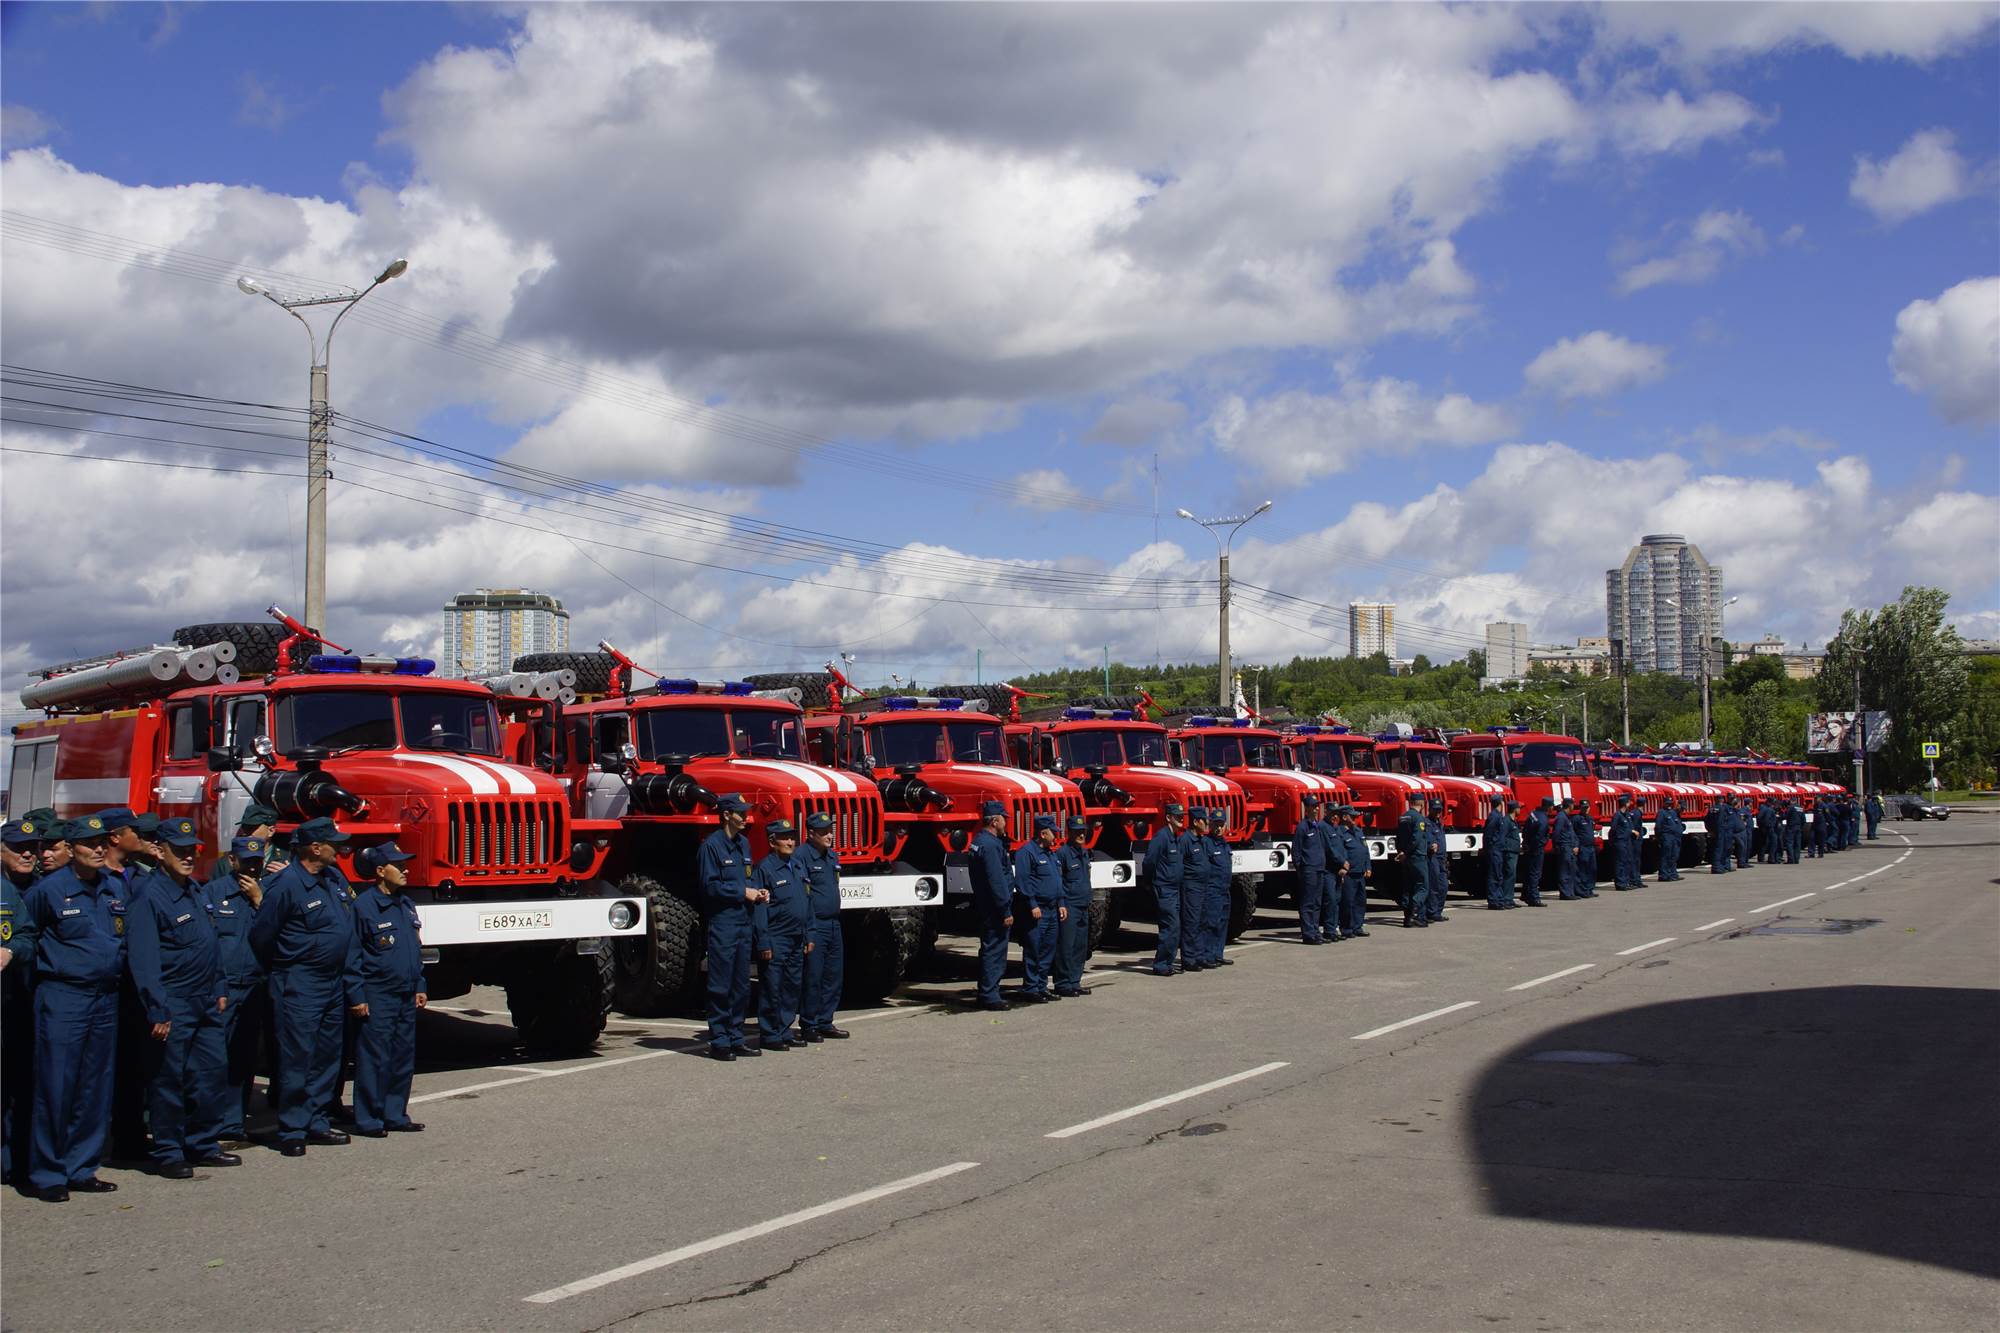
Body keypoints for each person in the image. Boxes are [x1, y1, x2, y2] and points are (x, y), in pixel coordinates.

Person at [22, 815, 127, 1201]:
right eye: (89, 843)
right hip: (64, 997)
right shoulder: (49, 891)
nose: (98, 849)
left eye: (102, 843)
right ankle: (48, 1174)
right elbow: (27, 943)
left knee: (94, 1086)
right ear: (71, 848)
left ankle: (82, 1166)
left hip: (105, 997)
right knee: (56, 1086)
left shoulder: (114, 888)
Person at [125, 817, 233, 1179]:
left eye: (192, 851)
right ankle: (169, 1150)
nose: (188, 857)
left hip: (204, 999)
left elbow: (210, 943)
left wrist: (218, 987)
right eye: (180, 851)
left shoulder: (194, 889)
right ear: (160, 851)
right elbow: (144, 959)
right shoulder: (148, 895)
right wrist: (157, 1009)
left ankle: (203, 1143)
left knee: (211, 1073)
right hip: (173, 1001)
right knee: (168, 1080)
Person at [250, 818, 361, 1154]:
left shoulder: (332, 879)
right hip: (299, 981)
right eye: (333, 842)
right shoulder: (285, 885)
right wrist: (290, 965)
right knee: (297, 1057)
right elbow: (261, 935)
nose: (339, 847)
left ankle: (316, 1120)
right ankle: (293, 1128)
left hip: (332, 980)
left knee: (327, 1055)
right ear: (315, 847)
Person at [346, 844, 427, 1134]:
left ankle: (395, 1114)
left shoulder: (405, 904)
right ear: (380, 871)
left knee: (402, 1057)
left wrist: (419, 984)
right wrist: (357, 995)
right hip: (377, 993)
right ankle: (369, 1118)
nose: (405, 870)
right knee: (374, 1058)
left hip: (405, 993)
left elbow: (414, 949)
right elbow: (352, 955)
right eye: (398, 865)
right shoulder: (364, 907)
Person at [204, 836, 267, 1144]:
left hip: (254, 986)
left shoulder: (267, 894)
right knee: (215, 1057)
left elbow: (278, 931)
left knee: (243, 1058)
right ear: (232, 861)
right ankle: (207, 1121)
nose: (252, 867)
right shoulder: (213, 894)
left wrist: (259, 900)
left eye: (257, 862)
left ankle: (232, 1122)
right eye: (246, 861)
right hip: (223, 989)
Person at [698, 794, 766, 1059]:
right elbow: (710, 886)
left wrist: (756, 892)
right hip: (723, 923)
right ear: (726, 815)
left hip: (743, 922)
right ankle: (719, 1041)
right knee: (721, 985)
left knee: (741, 985)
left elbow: (746, 879)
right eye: (740, 812)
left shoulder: (744, 845)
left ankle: (736, 1037)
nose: (745, 816)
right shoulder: (711, 847)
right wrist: (742, 892)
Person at [2, 820, 42, 1186]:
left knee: (22, 1084)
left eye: (32, 846)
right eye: (18, 847)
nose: (28, 853)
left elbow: (29, 937)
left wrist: (11, 950)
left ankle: (17, 1162)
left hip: (22, 1001)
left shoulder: (39, 890)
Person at [749, 821, 808, 1052]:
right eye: (785, 838)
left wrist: (808, 934)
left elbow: (807, 902)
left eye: (792, 837)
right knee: (772, 987)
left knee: (792, 985)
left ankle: (785, 1029)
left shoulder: (798, 866)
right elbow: (760, 908)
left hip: (796, 936)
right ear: (772, 842)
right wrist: (763, 940)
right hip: (776, 936)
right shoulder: (764, 868)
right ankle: (770, 1033)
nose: (790, 842)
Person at [796, 812, 849, 1041]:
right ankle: (809, 1024)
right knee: (813, 977)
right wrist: (807, 929)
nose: (830, 836)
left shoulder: (831, 857)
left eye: (830, 831)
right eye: (824, 832)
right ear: (810, 834)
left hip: (833, 923)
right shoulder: (801, 857)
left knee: (833, 976)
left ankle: (826, 1020)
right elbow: (802, 896)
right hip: (815, 924)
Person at [968, 801, 1015, 1010]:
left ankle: (987, 991)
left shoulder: (980, 841)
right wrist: (1005, 908)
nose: (1006, 823)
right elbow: (996, 880)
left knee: (989, 948)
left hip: (986, 904)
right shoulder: (990, 845)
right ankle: (990, 995)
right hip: (994, 908)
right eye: (1004, 819)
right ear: (995, 821)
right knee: (995, 950)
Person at [1013, 815, 1063, 1002]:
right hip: (1037, 910)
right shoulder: (1027, 852)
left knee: (1048, 950)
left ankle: (1041, 986)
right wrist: (1032, 904)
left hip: (1052, 909)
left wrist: (1061, 903)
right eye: (1053, 833)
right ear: (1042, 833)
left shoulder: (1051, 854)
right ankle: (1030, 988)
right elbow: (1023, 881)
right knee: (1034, 949)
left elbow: (1057, 881)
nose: (1055, 837)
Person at [1051, 816, 1094, 996]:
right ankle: (1062, 983)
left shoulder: (1084, 853)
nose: (1081, 835)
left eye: (1083, 831)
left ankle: (1074, 982)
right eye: (1077, 832)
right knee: (1066, 947)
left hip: (1084, 905)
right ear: (1069, 833)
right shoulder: (1063, 854)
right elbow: (1058, 882)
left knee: (1080, 947)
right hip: (1070, 906)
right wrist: (1061, 904)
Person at [1143, 803, 1187, 975]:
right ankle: (1161, 964)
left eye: (1182, 816)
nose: (1181, 819)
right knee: (1171, 926)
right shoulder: (1161, 837)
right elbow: (1149, 861)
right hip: (1164, 889)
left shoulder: (1175, 837)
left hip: (1174, 889)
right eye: (1178, 816)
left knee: (1175, 927)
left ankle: (1168, 963)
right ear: (1168, 817)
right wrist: (1151, 882)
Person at [1291, 795, 1333, 943]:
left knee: (1317, 902)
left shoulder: (1317, 826)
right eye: (1313, 806)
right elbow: (1296, 851)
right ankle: (1308, 934)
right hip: (1308, 869)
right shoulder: (1302, 827)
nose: (1316, 809)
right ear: (1307, 808)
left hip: (1319, 868)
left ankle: (1315, 931)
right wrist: (1300, 869)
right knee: (1308, 902)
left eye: (1317, 806)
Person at [1179, 809, 1215, 968]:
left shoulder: (1202, 840)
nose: (1207, 824)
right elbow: (1179, 864)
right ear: (1195, 822)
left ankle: (1200, 955)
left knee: (1203, 920)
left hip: (1204, 885)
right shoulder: (1185, 840)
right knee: (1191, 922)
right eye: (1204, 820)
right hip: (1191, 886)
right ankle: (1188, 958)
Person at [1199, 808, 1234, 964]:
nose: (1219, 828)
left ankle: (1217, 954)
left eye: (1221, 824)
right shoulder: (1206, 843)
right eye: (1216, 824)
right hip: (1212, 890)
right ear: (1210, 824)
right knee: (1210, 923)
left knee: (1222, 922)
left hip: (1224, 889)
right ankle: (1206, 955)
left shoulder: (1224, 844)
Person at [1334, 806, 1371, 937]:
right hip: (1349, 873)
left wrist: (1368, 867)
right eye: (1352, 816)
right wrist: (1342, 868)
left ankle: (1357, 926)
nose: (1355, 818)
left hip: (1360, 872)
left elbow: (1365, 850)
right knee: (1347, 902)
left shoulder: (1358, 831)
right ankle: (1347, 928)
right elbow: (1339, 852)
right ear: (1344, 817)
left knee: (1360, 901)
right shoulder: (1340, 833)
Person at [1394, 795, 1429, 927]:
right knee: (1422, 887)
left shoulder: (1403, 817)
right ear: (1421, 803)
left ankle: (1407, 918)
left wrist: (1401, 852)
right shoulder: (1419, 818)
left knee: (1408, 887)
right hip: (1417, 856)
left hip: (1405, 857)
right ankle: (1413, 912)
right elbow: (1416, 839)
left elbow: (1398, 837)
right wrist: (1407, 851)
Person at [1484, 798, 1520, 909]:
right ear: (1501, 804)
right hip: (1495, 850)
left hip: (1497, 850)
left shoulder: (1498, 816)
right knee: (1495, 876)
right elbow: (1490, 834)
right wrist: (1492, 847)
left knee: (1498, 875)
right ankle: (1495, 901)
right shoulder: (1496, 817)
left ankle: (1498, 900)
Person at [1423, 797, 1450, 923]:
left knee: (1443, 886)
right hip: (1432, 858)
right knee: (1434, 886)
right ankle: (1432, 912)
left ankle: (1438, 911)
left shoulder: (1440, 823)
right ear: (1430, 809)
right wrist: (1430, 846)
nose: (1438, 812)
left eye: (1439, 810)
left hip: (1441, 858)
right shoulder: (1427, 823)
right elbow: (1426, 840)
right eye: (1436, 810)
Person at [1519, 798, 1550, 907]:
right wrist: (1541, 843)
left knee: (1528, 873)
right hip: (1536, 850)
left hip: (1529, 847)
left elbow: (1526, 830)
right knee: (1535, 874)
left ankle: (1525, 895)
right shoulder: (1543, 819)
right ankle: (1534, 898)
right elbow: (1540, 836)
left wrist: (1526, 843)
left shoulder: (1533, 814)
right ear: (1548, 807)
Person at [1552, 798, 1582, 900]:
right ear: (1570, 806)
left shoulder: (1566, 817)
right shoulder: (1561, 818)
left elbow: (1572, 834)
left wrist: (1575, 845)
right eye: (1573, 805)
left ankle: (1570, 892)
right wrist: (1557, 846)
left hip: (1569, 847)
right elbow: (1556, 833)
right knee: (1564, 871)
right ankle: (1565, 893)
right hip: (1564, 847)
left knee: (1571, 870)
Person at [1610, 795, 1641, 891]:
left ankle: (1626, 881)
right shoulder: (1617, 815)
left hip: (1627, 842)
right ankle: (1620, 883)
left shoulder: (1627, 815)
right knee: (1620, 863)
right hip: (1620, 842)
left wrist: (1631, 832)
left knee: (1627, 861)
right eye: (1628, 802)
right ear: (1625, 804)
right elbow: (1614, 830)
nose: (1630, 804)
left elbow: (1629, 827)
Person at [1573, 803, 1599, 897]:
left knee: (1592, 869)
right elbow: (1574, 833)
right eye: (1584, 808)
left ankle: (1589, 889)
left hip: (1591, 847)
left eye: (1587, 807)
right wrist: (1576, 845)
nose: (1586, 809)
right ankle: (1583, 890)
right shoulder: (1577, 819)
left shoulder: (1590, 818)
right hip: (1583, 847)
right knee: (1583, 869)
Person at [1657, 799, 1684, 881]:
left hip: (1674, 837)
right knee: (1666, 856)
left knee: (1674, 856)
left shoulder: (1672, 812)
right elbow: (1658, 826)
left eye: (1670, 804)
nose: (1669, 805)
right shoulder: (1662, 812)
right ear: (1664, 804)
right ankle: (1663, 875)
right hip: (1667, 837)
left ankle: (1672, 873)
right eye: (1667, 804)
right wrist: (1659, 837)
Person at [1706, 798, 1731, 875]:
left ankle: (1718, 866)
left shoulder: (1711, 809)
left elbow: (1707, 820)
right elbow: (1721, 821)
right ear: (1722, 800)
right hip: (1720, 831)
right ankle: (1717, 867)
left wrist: (1710, 830)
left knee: (1717, 848)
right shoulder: (1722, 808)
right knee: (1719, 849)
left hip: (1715, 831)